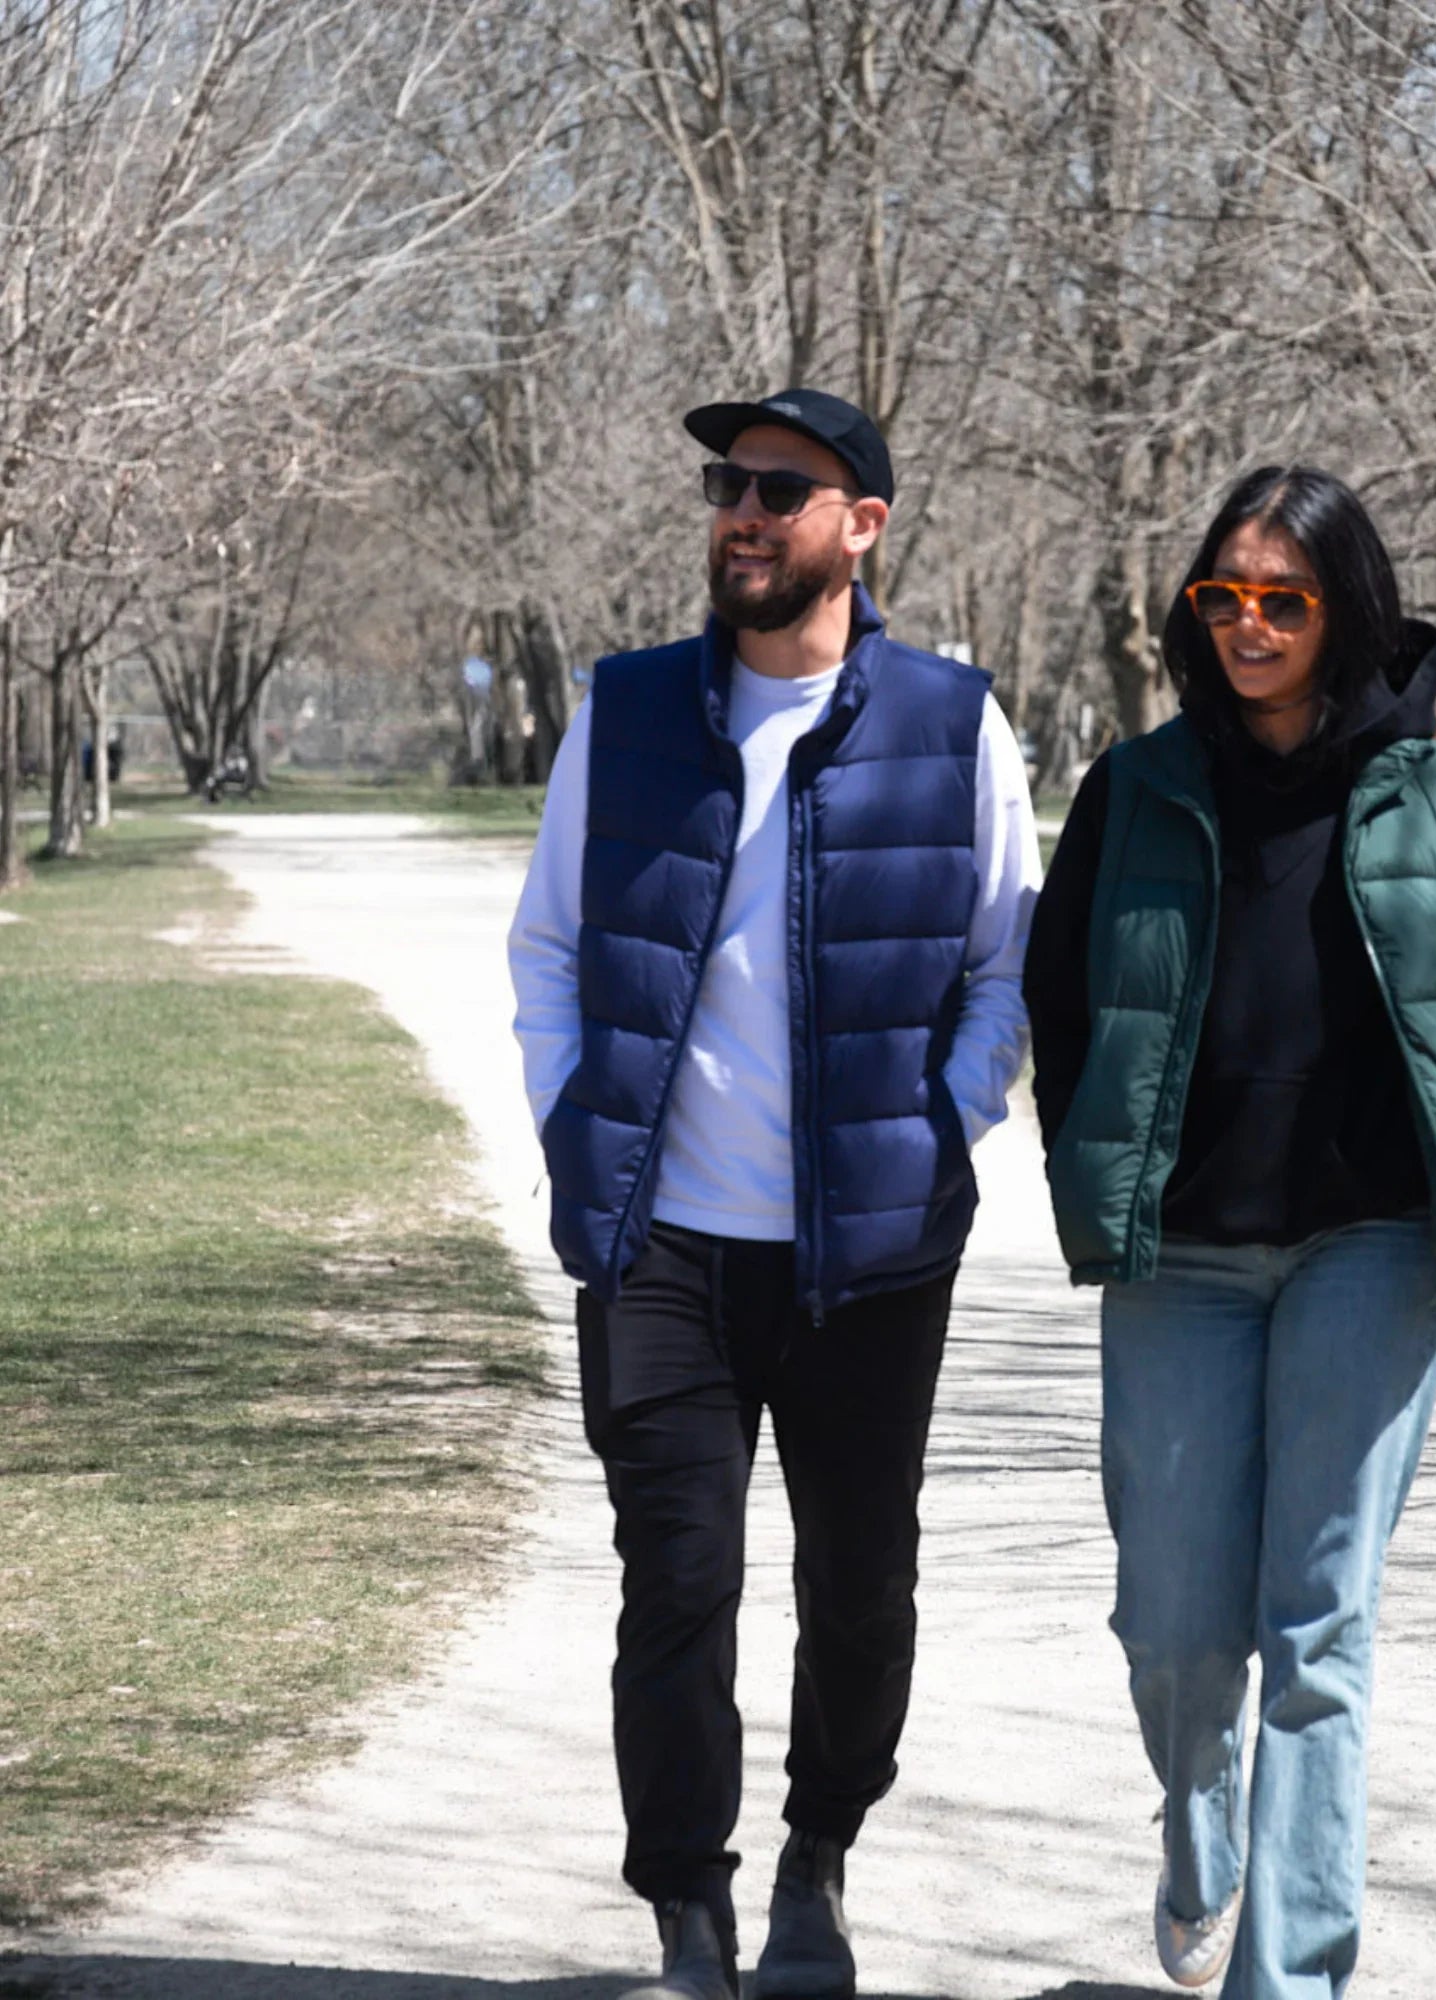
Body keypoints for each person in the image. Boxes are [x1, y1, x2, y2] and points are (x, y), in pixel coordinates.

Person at [508, 389, 1040, 2000]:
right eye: (729, 486)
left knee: (860, 1577)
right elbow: (548, 945)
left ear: (861, 527)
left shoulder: (955, 724)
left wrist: (936, 1127)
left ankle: (819, 1860)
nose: (741, 512)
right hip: (660, 1241)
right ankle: (689, 1906)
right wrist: (570, 1118)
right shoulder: (631, 709)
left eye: (779, 490)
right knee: (678, 1577)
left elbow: (1006, 968)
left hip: (868, 1250)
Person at [1023, 465, 1436, 1999]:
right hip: (1180, 1258)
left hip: (1369, 1248)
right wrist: (1088, 1146)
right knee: (1178, 1626)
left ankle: (1292, 1976)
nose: (1250, 625)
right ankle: (1202, 1837)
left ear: (1346, 608)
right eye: (1224, 597)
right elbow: (1064, 998)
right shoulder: (1136, 786)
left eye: (1285, 599)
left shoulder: (1426, 788)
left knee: (1318, 1629)